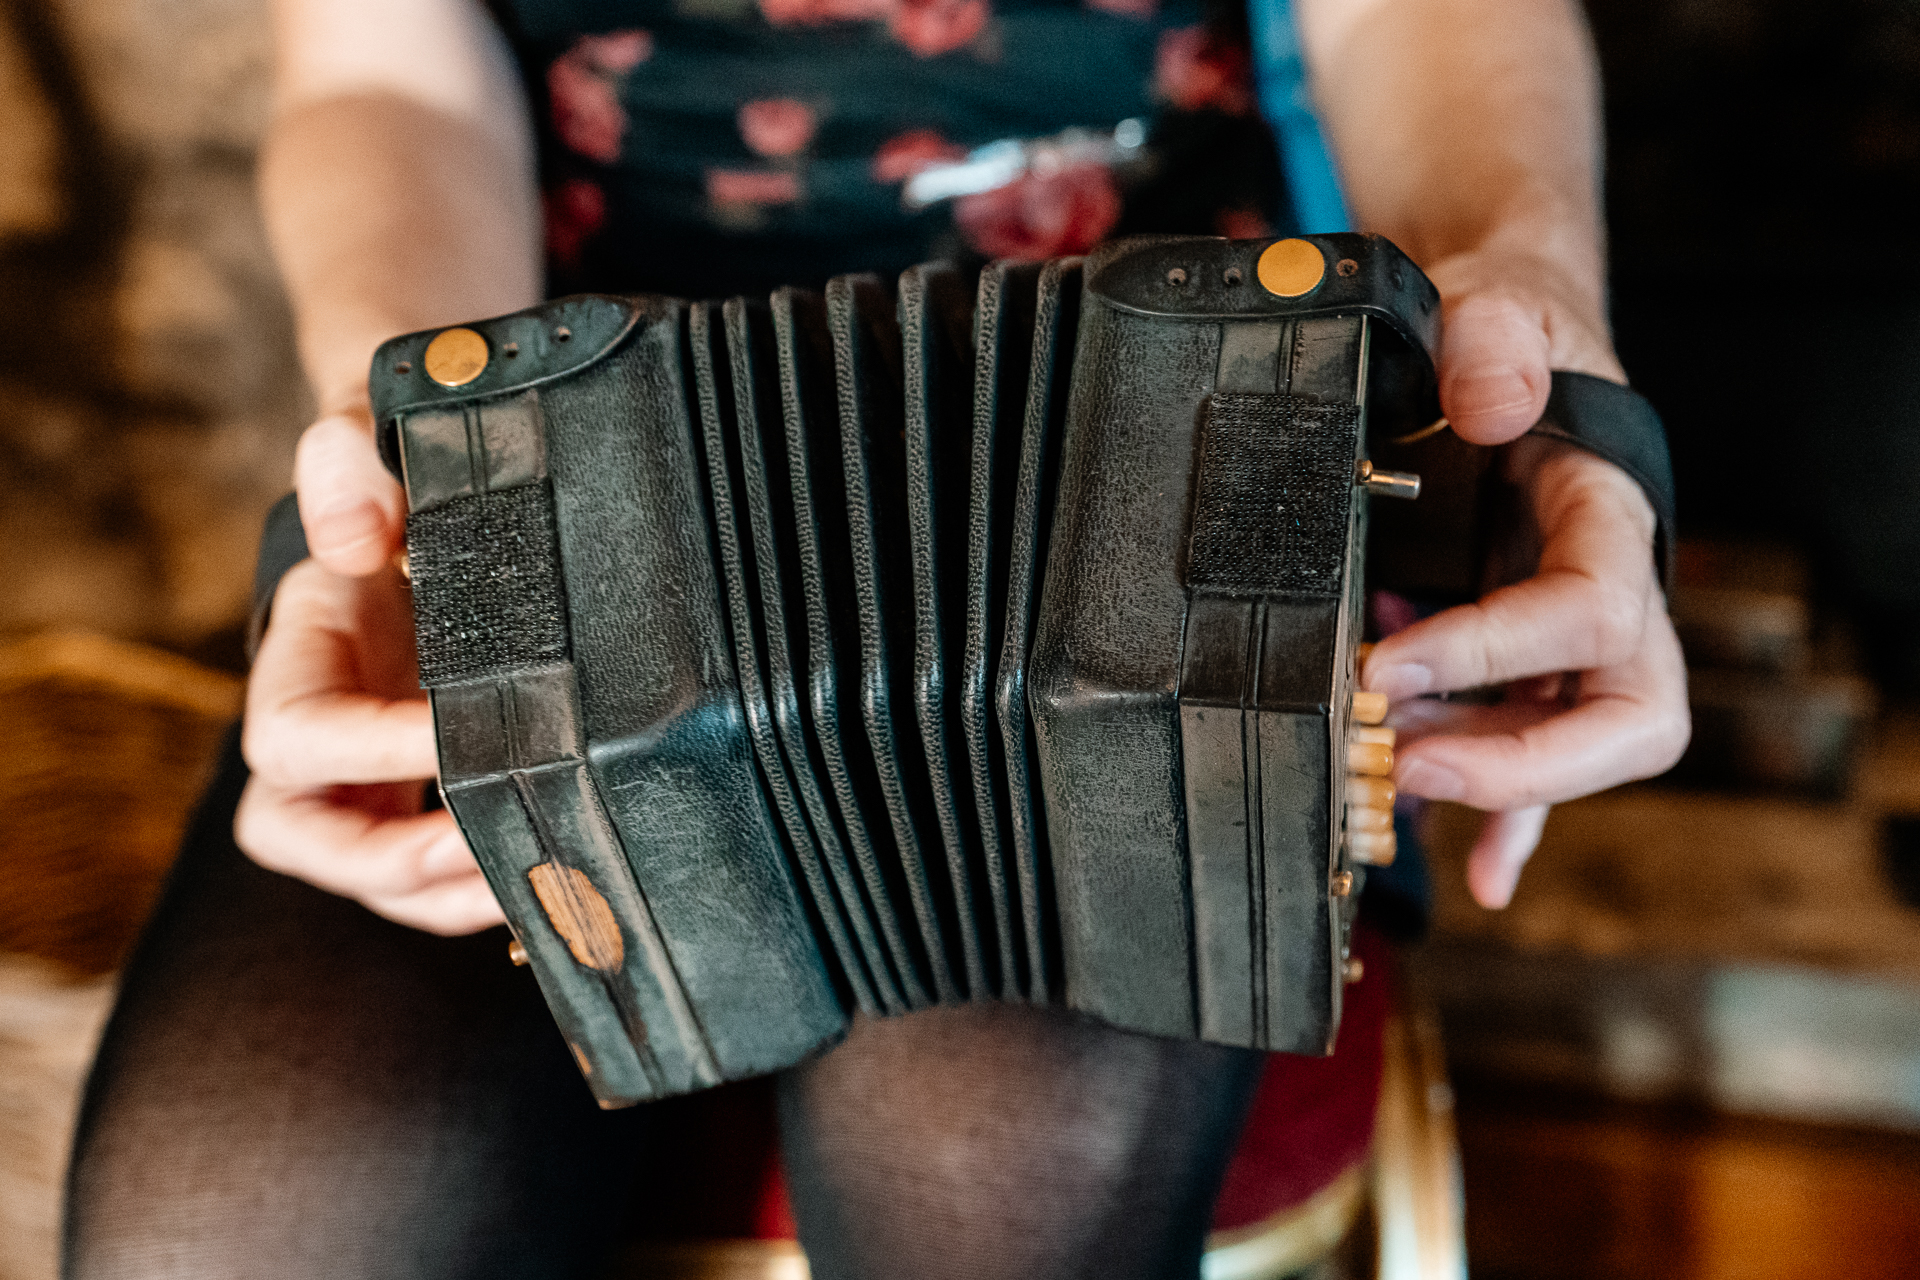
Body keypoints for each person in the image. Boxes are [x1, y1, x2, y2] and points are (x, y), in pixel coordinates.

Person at [64, 0, 1690, 1275]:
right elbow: (387, 75)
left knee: (993, 1176)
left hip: (1164, 448)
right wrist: (395, 428)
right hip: (554, 464)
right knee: (229, 1222)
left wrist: (1533, 320)